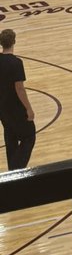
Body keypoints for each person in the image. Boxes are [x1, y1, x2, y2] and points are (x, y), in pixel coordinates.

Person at [0, 29, 35, 170]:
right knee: (29, 136)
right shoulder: (16, 63)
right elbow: (19, 88)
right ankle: (16, 170)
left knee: (11, 138)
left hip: (2, 107)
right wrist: (29, 108)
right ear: (14, 41)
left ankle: (12, 173)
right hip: (15, 107)